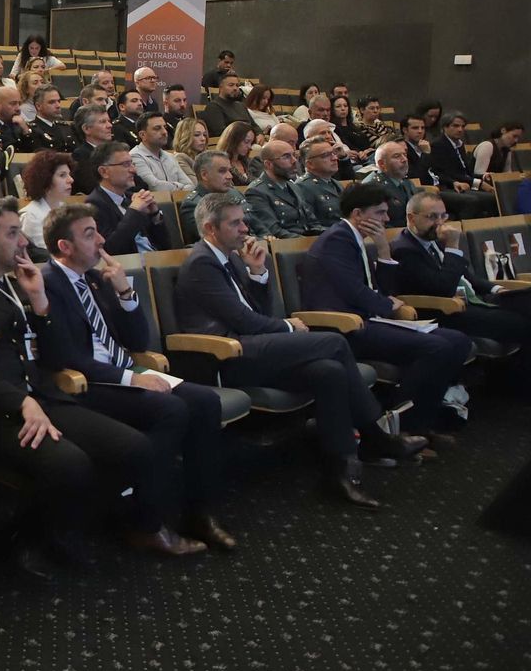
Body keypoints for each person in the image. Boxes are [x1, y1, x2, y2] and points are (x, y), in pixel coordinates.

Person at [0, 197, 200, 576]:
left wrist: (39, 301)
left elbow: (50, 354)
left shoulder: (17, 283)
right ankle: (29, 539)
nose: (23, 242)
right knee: (69, 462)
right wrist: (20, 403)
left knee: (135, 448)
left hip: (42, 396)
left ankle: (76, 522)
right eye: (13, 233)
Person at [176, 190, 424, 508]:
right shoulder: (201, 263)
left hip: (251, 347)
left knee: (329, 371)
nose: (244, 229)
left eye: (243, 222)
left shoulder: (230, 257)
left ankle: (339, 474)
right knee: (333, 342)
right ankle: (376, 436)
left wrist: (257, 272)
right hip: (224, 356)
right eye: (236, 223)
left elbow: (257, 312)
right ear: (211, 229)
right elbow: (245, 321)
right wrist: (290, 327)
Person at [37, 203, 233, 551]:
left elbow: (136, 341)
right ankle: (145, 520)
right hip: (85, 384)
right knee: (170, 410)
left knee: (205, 401)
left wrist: (126, 293)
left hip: (123, 370)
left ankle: (199, 512)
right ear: (64, 247)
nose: (100, 240)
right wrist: (130, 379)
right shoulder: (48, 284)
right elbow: (65, 358)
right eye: (88, 234)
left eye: (97, 230)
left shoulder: (96, 279)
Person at [301, 184, 476, 440]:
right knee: (435, 348)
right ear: (358, 214)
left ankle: (422, 421)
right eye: (380, 213)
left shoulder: (355, 238)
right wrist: (387, 306)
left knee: (458, 341)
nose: (386, 219)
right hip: (345, 327)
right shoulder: (337, 240)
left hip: (367, 318)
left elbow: (383, 288)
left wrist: (383, 250)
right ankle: (401, 426)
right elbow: (355, 292)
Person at [393, 191, 531, 342]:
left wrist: (497, 288)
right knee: (520, 323)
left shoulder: (434, 240)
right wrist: (453, 246)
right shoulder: (404, 250)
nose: (439, 223)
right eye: (432, 217)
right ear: (411, 218)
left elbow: (467, 277)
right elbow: (443, 289)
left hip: (474, 300)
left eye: (443, 216)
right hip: (447, 310)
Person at [401, 112, 495, 220]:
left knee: (491, 198)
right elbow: (416, 175)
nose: (420, 131)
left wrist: (454, 182)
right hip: (427, 190)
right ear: (405, 130)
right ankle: (463, 234)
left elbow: (437, 171)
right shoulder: (404, 149)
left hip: (443, 185)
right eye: (415, 128)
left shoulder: (425, 146)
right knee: (471, 201)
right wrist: (426, 154)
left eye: (423, 128)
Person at [86, 142, 169, 255]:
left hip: (157, 263)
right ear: (104, 172)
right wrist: (134, 211)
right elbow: (110, 249)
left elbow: (167, 246)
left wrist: (154, 215)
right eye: (126, 165)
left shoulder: (132, 198)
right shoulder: (94, 205)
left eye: (132, 164)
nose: (133, 170)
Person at [244, 140, 320, 238]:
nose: (294, 161)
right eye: (286, 157)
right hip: (287, 246)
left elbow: (312, 222)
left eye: (294, 155)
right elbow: (274, 230)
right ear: (268, 164)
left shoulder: (293, 186)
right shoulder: (257, 192)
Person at [178, 150, 239, 243]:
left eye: (229, 170)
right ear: (204, 175)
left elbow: (257, 227)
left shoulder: (235, 194)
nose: (229, 176)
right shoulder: (193, 205)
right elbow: (213, 239)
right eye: (222, 171)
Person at [18, 150, 74, 248]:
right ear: (45, 180)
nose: (71, 180)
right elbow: (45, 255)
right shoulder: (31, 217)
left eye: (69, 174)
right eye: (62, 175)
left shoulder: (66, 209)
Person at [128, 114, 192, 192]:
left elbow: (190, 186)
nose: (164, 132)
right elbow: (154, 186)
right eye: (157, 128)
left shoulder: (170, 156)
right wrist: (180, 186)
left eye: (164, 127)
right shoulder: (135, 156)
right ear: (143, 135)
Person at [294, 137, 347, 232]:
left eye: (333, 153)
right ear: (310, 164)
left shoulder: (335, 184)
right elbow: (311, 226)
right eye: (326, 155)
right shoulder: (302, 187)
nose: (334, 158)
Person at [362, 141, 421, 222]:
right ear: (382, 164)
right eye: (397, 156)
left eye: (405, 154)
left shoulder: (407, 183)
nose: (404, 159)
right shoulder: (371, 187)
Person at [70, 107, 116, 195]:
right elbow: (92, 187)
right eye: (103, 122)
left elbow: (139, 183)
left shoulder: (116, 152)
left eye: (109, 121)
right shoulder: (80, 155)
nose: (110, 125)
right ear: (86, 129)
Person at [215, 120, 256, 189]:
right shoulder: (220, 165)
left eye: (251, 143)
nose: (249, 146)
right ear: (234, 139)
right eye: (246, 142)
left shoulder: (249, 162)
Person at [170, 118, 208, 185]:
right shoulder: (180, 158)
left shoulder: (206, 156)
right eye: (197, 135)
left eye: (204, 135)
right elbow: (195, 186)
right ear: (185, 136)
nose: (203, 139)